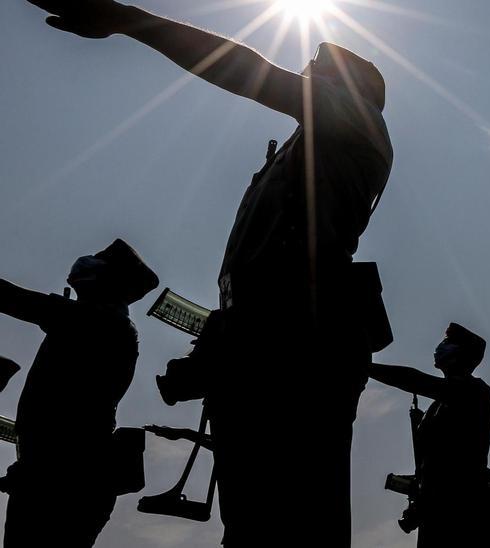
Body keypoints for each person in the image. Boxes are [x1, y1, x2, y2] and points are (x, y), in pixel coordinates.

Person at [25, 2, 394, 545]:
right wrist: (211, 356)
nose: (306, 73)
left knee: (298, 519)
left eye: (318, 67)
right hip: (262, 346)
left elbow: (248, 72)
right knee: (251, 525)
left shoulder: (357, 124)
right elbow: (250, 279)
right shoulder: (303, 147)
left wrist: (129, 20)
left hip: (300, 347)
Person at [0, 239, 158, 547]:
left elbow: (13, 299)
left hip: (61, 478)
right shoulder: (106, 324)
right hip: (63, 474)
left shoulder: (95, 321)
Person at [368, 323, 490, 548]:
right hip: (439, 511)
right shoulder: (438, 407)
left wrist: (366, 367)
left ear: (460, 355)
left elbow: (414, 380)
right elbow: (437, 463)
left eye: (448, 343)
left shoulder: (474, 392)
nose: (440, 347)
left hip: (468, 512)